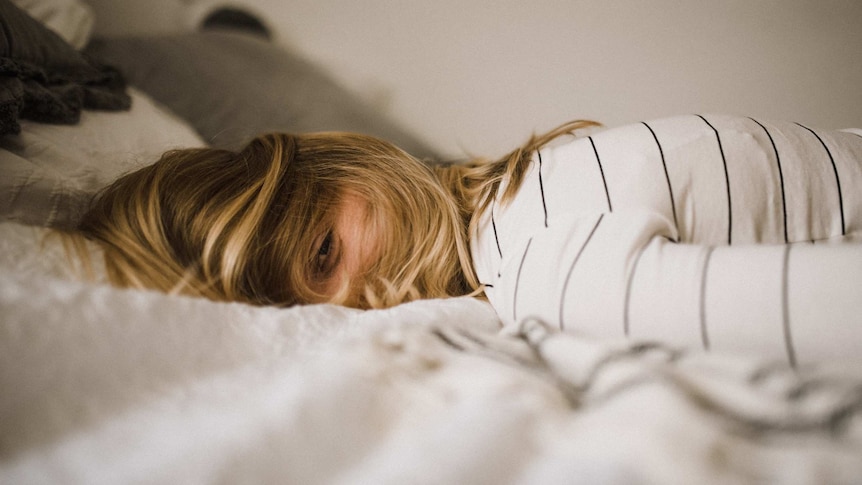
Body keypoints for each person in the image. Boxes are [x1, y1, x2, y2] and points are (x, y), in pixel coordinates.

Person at [68, 115, 862, 362]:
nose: (352, 306)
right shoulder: (525, 190)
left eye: (322, 254)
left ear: (351, 160)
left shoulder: (543, 264)